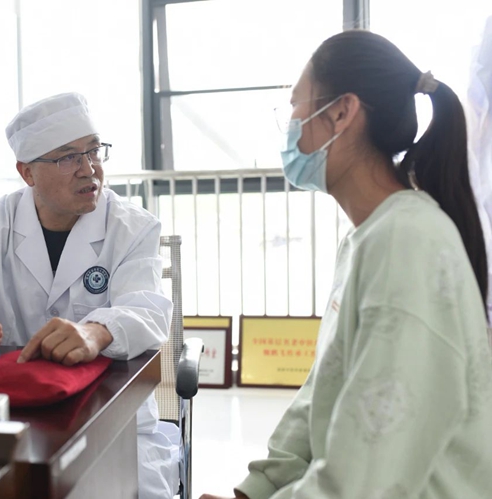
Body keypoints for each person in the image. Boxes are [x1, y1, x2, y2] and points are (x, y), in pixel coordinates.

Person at [201, 30, 492, 499]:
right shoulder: (367, 237)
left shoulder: (407, 241)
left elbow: (365, 477)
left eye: (295, 107)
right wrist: (256, 489)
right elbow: (324, 391)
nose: (290, 126)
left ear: (342, 112)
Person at [0, 92, 179, 498]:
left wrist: (95, 331)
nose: (89, 169)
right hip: (20, 411)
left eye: (94, 151)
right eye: (68, 158)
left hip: (112, 415)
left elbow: (148, 309)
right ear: (27, 173)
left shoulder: (133, 226)